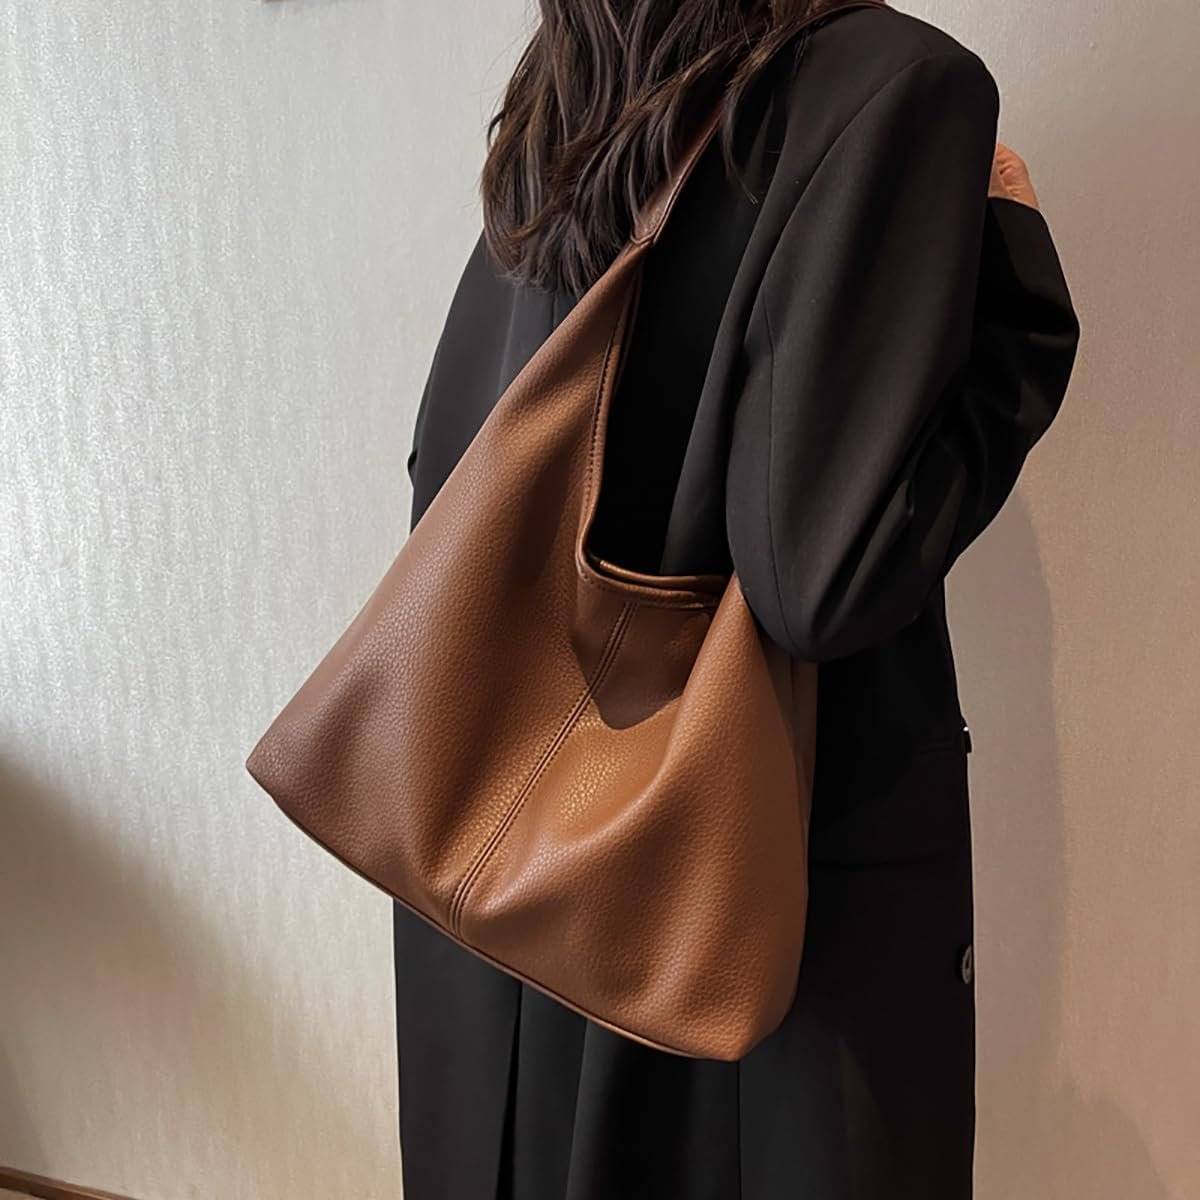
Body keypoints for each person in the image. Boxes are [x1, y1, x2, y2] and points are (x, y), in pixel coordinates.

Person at [393, 1, 1081, 1197]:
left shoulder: (577, 77)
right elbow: (823, 581)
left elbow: (448, 462)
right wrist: (1014, 301)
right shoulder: (900, 86)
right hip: (754, 911)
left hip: (519, 877)